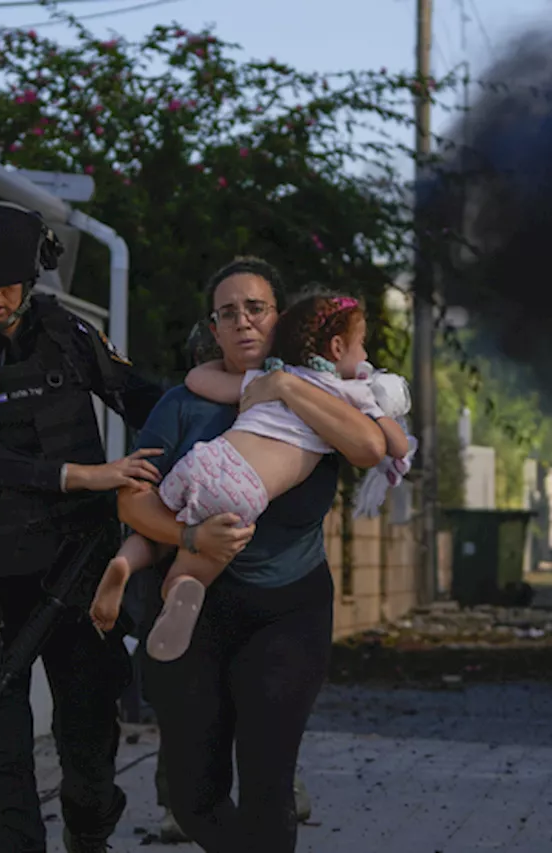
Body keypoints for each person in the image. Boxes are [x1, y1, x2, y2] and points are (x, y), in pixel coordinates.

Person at [0, 202, 169, 853]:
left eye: (6, 282)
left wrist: (228, 411)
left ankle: (88, 833)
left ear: (31, 278)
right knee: (6, 746)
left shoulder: (69, 337)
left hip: (79, 568)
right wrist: (85, 475)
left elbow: (141, 398)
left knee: (89, 737)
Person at [117, 257, 389, 851]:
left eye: (256, 308)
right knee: (193, 798)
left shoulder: (320, 391)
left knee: (269, 784)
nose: (243, 322)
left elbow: (371, 445)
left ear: (282, 320)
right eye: (228, 313)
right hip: (197, 611)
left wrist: (285, 384)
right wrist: (191, 539)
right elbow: (133, 503)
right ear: (212, 329)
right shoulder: (183, 404)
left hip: (288, 610)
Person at [90, 292, 412, 662]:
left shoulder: (272, 375)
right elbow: (395, 447)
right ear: (338, 347)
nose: (366, 357)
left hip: (208, 459)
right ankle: (182, 587)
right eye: (362, 346)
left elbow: (199, 379)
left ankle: (124, 563)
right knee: (198, 561)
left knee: (157, 525)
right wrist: (386, 411)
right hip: (244, 490)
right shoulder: (352, 395)